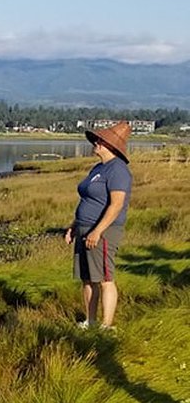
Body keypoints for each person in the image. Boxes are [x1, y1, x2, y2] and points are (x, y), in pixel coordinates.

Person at [65, 120, 133, 330]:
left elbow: (116, 205)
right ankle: (90, 321)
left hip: (103, 231)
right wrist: (74, 226)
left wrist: (97, 231)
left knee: (104, 277)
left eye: (99, 140)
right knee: (87, 278)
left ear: (109, 145)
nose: (95, 142)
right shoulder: (98, 168)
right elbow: (87, 200)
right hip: (85, 228)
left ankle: (106, 325)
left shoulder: (118, 171)